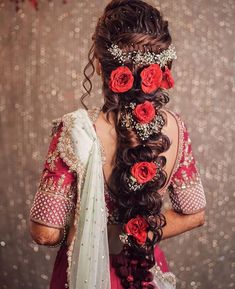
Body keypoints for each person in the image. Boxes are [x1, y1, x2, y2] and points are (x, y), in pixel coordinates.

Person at [29, 1, 206, 288]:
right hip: (145, 271)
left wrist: (89, 232)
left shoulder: (76, 130)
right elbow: (194, 214)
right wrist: (136, 233)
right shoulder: (176, 128)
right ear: (158, 68)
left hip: (86, 272)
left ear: (100, 65)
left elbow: (44, 232)